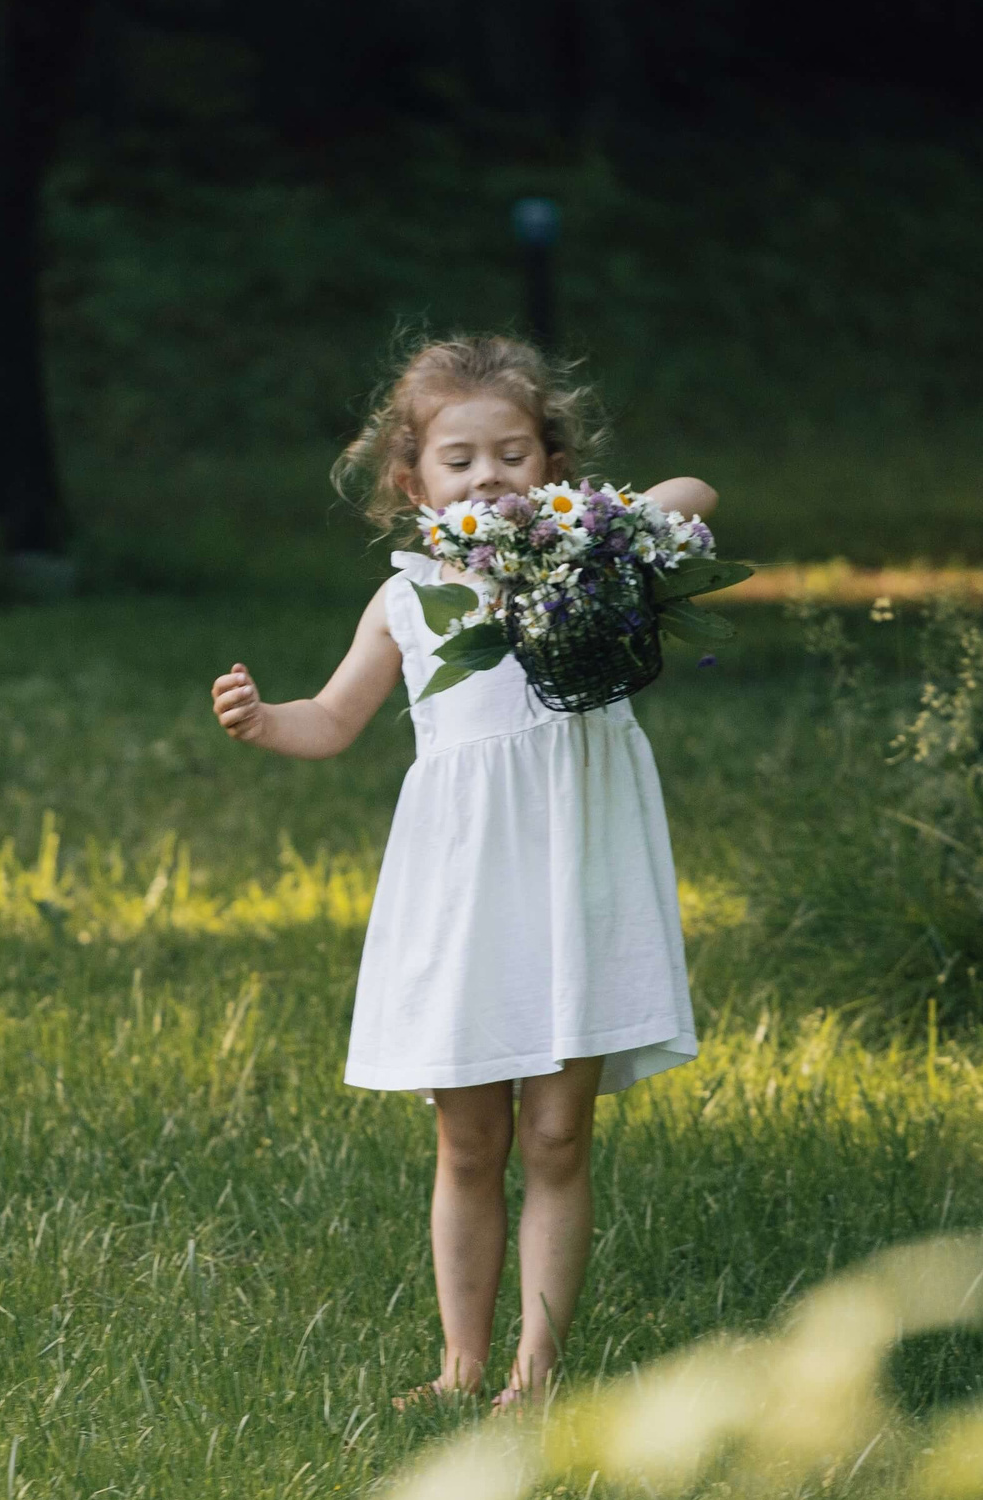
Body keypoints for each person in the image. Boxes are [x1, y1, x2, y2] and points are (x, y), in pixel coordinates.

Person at [209, 335, 712, 1410]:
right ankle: (461, 1363)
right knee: (469, 1137)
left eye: (514, 454)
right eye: (459, 460)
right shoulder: (408, 598)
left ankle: (534, 1372)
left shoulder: (590, 564)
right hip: (467, 892)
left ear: (554, 467)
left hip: (577, 878)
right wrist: (263, 721)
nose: (488, 477)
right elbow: (332, 719)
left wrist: (585, 528)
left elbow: (695, 490)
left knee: (557, 1132)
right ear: (411, 482)